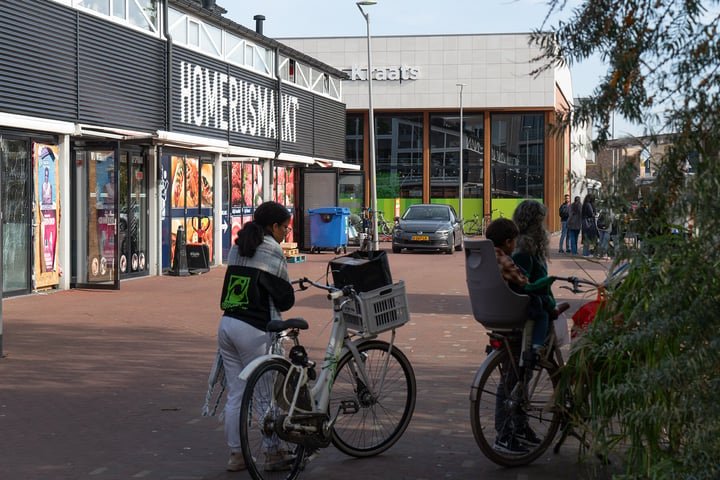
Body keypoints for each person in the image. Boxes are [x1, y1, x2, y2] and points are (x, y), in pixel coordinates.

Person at [217, 201, 295, 472]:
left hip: (228, 325)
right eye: (285, 227)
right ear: (273, 226)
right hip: (255, 329)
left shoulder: (238, 246)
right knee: (265, 395)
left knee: (237, 392)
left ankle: (236, 455)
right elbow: (285, 300)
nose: (286, 233)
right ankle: (272, 453)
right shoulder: (272, 250)